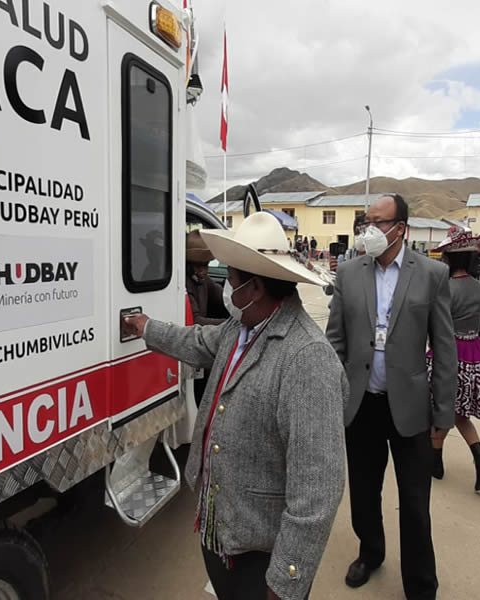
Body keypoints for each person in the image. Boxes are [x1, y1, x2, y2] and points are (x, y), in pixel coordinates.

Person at [123, 212, 346, 600]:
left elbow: (317, 492)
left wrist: (285, 582)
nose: (227, 286)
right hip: (223, 528)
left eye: (233, 279)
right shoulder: (241, 326)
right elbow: (197, 342)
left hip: (261, 555)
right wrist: (146, 328)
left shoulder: (307, 359)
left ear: (254, 287)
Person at [326, 193, 457, 600]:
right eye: (366, 221)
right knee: (364, 493)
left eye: (378, 222)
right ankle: (371, 553)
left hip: (411, 408)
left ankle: (421, 584)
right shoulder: (348, 274)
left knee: (415, 504)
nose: (370, 230)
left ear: (400, 228)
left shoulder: (432, 273)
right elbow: (336, 341)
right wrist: (332, 398)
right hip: (361, 405)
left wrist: (443, 415)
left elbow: (445, 346)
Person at [429, 227, 480, 491]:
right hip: (474, 352)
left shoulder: (445, 288)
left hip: (450, 354)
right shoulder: (476, 287)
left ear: (447, 258)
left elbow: (438, 326)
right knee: (460, 414)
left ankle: (435, 462)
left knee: (442, 409)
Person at [185, 230, 227, 407]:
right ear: (188, 264)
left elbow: (223, 299)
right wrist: (228, 326)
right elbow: (195, 321)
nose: (203, 271)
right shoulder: (184, 283)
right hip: (189, 346)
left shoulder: (203, 281)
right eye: (199, 266)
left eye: (206, 265)